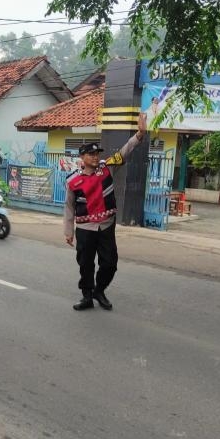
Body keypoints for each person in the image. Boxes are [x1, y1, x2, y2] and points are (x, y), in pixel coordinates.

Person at [64, 113, 148, 311]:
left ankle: (99, 290)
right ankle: (86, 296)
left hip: (106, 225)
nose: (95, 157)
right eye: (91, 154)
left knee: (110, 263)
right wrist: (69, 231)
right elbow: (68, 207)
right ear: (82, 158)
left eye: (97, 154)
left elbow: (125, 151)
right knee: (85, 264)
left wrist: (140, 134)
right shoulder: (72, 181)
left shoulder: (107, 168)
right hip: (85, 228)